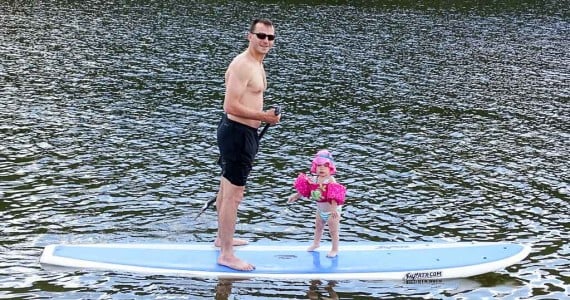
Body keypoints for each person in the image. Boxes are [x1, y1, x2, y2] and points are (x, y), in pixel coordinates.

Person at [215, 18, 280, 271]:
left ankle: (222, 240)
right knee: (234, 195)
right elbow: (229, 106)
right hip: (237, 134)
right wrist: (264, 117)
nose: (265, 41)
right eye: (261, 36)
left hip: (242, 133)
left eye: (270, 38)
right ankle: (227, 255)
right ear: (249, 36)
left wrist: (266, 116)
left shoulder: (256, 63)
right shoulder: (242, 65)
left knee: (225, 189)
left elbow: (247, 100)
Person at [288, 150, 347, 258]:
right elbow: (305, 190)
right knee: (318, 226)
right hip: (320, 209)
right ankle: (316, 243)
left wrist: (334, 210)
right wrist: (295, 196)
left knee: (333, 231)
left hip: (332, 210)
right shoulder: (314, 179)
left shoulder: (330, 180)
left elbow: (334, 196)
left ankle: (335, 249)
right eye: (319, 165)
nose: (321, 168)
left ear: (331, 168)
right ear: (315, 167)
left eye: (325, 166)